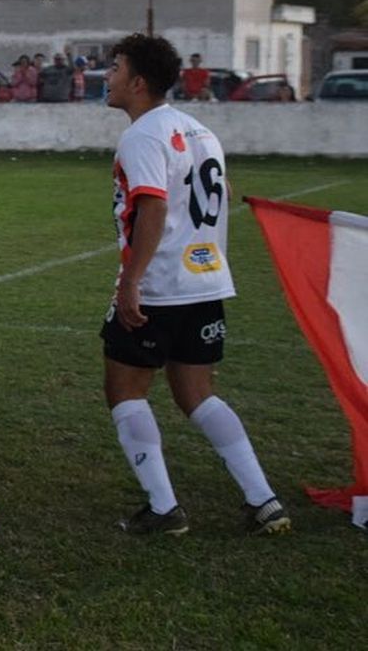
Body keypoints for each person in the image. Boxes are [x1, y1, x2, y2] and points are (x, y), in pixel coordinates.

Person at [101, 32, 290, 536]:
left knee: (124, 391)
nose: (108, 75)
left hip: (161, 286)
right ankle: (263, 498)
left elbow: (154, 205)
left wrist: (131, 283)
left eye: (115, 67)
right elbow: (220, 191)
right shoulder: (199, 130)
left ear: (138, 82)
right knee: (198, 394)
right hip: (205, 283)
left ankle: (164, 508)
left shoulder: (142, 135)